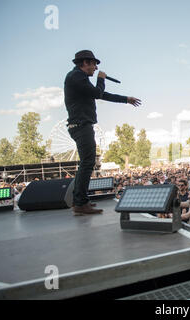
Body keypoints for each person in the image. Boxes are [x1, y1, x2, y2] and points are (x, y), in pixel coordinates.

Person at [64, 50, 141, 215]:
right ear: (85, 63)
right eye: (94, 64)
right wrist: (101, 78)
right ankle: (79, 203)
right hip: (81, 125)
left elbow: (102, 94)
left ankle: (81, 201)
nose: (96, 67)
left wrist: (126, 99)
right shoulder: (76, 77)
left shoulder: (79, 79)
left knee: (86, 163)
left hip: (81, 125)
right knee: (87, 163)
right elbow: (98, 93)